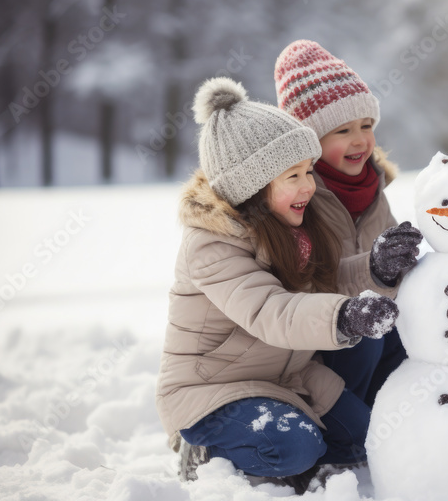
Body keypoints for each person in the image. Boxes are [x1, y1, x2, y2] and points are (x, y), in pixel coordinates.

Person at [154, 77, 419, 492]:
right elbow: (270, 310)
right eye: (292, 176)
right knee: (294, 448)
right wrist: (345, 316)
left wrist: (375, 267)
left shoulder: (293, 228)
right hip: (215, 391)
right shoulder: (211, 245)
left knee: (362, 437)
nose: (309, 186)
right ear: (253, 188)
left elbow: (330, 277)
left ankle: (299, 460)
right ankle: (206, 450)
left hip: (287, 378)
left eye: (308, 172)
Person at [275, 40, 419, 405]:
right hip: (319, 345)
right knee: (369, 337)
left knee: (410, 328)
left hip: (372, 333)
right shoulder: (299, 197)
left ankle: (390, 411)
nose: (360, 140)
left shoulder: (372, 186)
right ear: (310, 141)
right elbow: (300, 284)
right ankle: (348, 422)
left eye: (366, 125)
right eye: (342, 131)